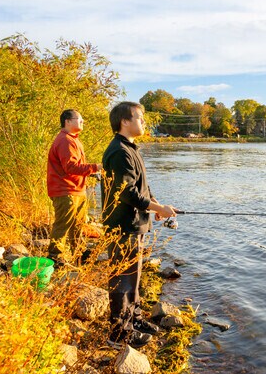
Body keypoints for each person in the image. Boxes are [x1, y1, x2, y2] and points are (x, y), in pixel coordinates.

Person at [101, 101, 177, 349]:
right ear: (125, 121)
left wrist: (155, 204)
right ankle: (118, 333)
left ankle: (134, 318)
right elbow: (128, 194)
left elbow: (141, 185)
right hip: (124, 226)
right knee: (122, 279)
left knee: (134, 276)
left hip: (135, 224)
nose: (144, 122)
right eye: (140, 117)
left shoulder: (130, 148)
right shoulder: (119, 152)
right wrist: (157, 209)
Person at [47, 109, 102, 264]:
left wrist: (90, 173)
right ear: (68, 121)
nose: (83, 122)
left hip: (76, 190)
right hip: (65, 190)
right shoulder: (65, 140)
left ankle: (78, 254)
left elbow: (75, 167)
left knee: (77, 225)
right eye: (80, 119)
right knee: (63, 224)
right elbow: (70, 167)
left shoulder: (73, 139)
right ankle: (54, 257)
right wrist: (96, 167)